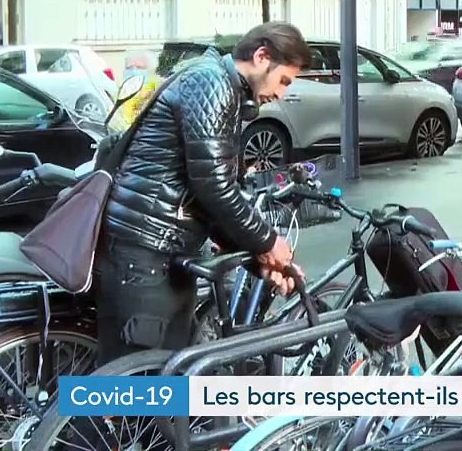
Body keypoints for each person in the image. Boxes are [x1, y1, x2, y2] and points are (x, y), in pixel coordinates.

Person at [94, 22, 313, 364]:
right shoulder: (211, 83)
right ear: (261, 56)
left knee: (166, 376)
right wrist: (268, 242)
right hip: (145, 251)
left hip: (162, 251)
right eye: (284, 80)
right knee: (133, 384)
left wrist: (260, 259)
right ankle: (76, 420)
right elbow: (212, 184)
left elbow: (209, 196)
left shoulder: (220, 86)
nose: (282, 94)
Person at [116, 49, 162, 129]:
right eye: (129, 68)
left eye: (140, 68)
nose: (134, 71)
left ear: (152, 70)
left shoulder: (159, 92)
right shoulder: (120, 93)